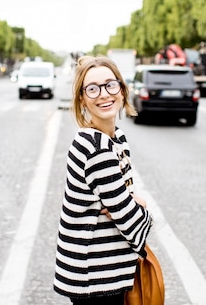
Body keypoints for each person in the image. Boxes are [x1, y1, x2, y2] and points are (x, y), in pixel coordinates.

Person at [54, 55, 154, 304]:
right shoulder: (96, 147)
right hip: (95, 275)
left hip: (104, 270)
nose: (104, 94)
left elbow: (121, 202)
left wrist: (128, 203)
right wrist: (142, 210)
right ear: (81, 98)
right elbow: (128, 218)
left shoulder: (115, 138)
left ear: (122, 89)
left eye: (111, 84)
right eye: (92, 88)